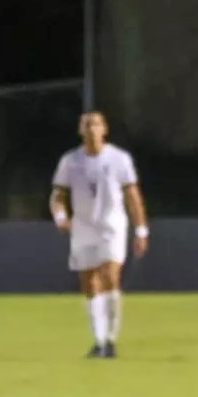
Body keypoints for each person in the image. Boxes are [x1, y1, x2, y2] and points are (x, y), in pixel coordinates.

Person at [51, 111, 148, 358]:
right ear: (80, 131)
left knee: (110, 276)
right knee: (88, 283)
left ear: (104, 129)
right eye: (86, 125)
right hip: (83, 229)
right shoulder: (70, 161)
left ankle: (111, 340)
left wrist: (141, 229)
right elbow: (58, 196)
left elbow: (132, 196)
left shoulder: (119, 159)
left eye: (95, 124)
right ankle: (99, 340)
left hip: (112, 227)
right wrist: (61, 217)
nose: (91, 129)